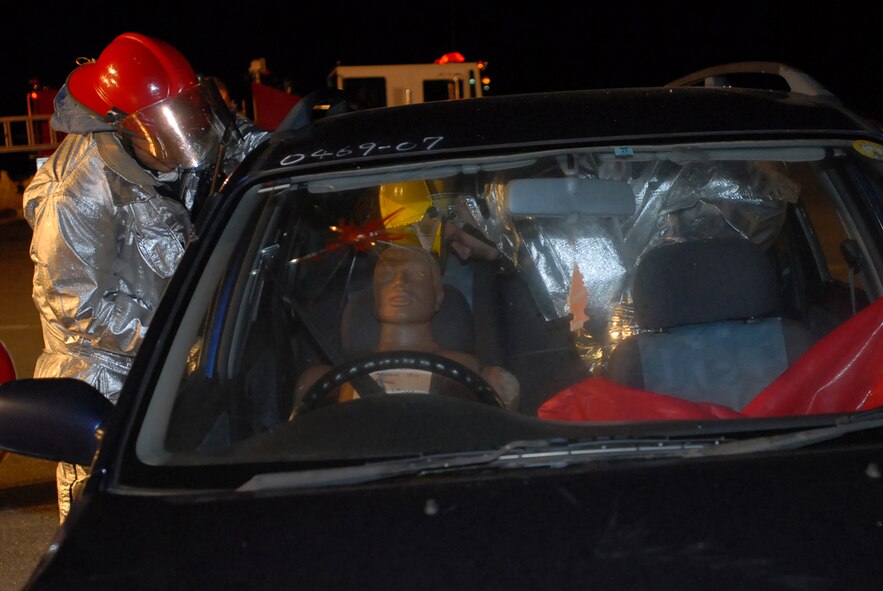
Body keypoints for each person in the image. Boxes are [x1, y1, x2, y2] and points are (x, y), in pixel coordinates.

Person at [23, 32, 267, 522]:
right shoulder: (78, 190)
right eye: (162, 126)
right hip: (107, 383)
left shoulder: (187, 126)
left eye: (188, 114)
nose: (188, 141)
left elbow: (253, 148)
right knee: (111, 528)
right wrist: (179, 340)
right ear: (122, 127)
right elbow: (78, 307)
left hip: (182, 365)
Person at [293, 244, 519, 409]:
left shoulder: (488, 381)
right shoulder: (324, 384)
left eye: (417, 275)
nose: (400, 282)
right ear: (375, 296)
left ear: (439, 295)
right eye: (387, 275)